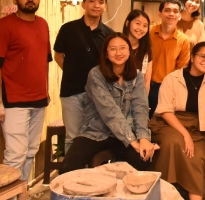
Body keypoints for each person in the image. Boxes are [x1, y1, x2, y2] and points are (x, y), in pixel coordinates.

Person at [0, 0, 51, 200]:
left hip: (39, 100)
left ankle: (21, 199)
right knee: (15, 155)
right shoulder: (3, 26)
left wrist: (46, 91)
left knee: (30, 152)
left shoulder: (42, 24)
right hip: (13, 101)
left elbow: (44, 61)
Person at [150, 42, 205, 200]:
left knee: (196, 156)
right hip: (168, 124)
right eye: (203, 56)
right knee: (173, 142)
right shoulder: (172, 78)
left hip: (197, 129)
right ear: (192, 57)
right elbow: (165, 111)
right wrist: (185, 135)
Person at [61, 33, 155, 172]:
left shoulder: (137, 77)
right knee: (68, 168)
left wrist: (143, 138)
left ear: (129, 51)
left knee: (143, 162)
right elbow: (110, 111)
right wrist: (132, 140)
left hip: (120, 135)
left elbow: (140, 108)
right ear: (106, 53)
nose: (118, 53)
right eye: (113, 49)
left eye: (122, 48)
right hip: (94, 131)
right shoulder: (96, 74)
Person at [54, 0, 113, 153]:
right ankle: (70, 170)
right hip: (71, 92)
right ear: (83, 4)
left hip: (97, 94)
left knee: (93, 137)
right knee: (72, 136)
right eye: (92, 1)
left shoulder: (108, 34)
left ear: (105, 6)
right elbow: (58, 55)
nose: (96, 5)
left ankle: (90, 170)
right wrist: (72, 72)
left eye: (101, 2)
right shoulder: (68, 29)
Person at [148, 0, 190, 115]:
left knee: (160, 121)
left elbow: (181, 69)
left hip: (166, 88)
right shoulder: (148, 32)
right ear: (159, 13)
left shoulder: (183, 41)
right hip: (144, 84)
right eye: (167, 10)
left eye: (175, 11)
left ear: (179, 16)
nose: (171, 14)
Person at [122, 9, 153, 84]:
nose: (141, 28)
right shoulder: (117, 45)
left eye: (145, 26)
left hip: (138, 90)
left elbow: (146, 81)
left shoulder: (146, 50)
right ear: (127, 23)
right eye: (138, 23)